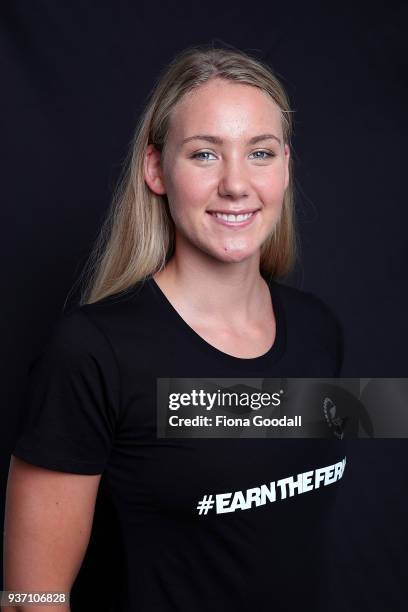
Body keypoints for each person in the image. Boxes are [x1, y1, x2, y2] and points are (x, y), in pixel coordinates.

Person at [4, 43, 345, 611]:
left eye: (259, 153)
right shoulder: (91, 353)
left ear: (286, 165)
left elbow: (281, 519)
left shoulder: (320, 330)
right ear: (156, 169)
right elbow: (28, 599)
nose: (236, 184)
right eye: (205, 155)